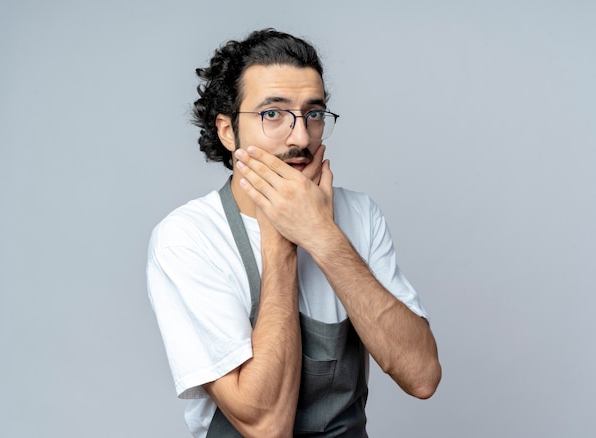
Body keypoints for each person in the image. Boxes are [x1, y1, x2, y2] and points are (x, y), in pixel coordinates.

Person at [147, 28, 441, 437]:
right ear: (228, 130)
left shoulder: (360, 215)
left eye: (313, 114)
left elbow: (422, 376)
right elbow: (267, 427)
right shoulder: (188, 238)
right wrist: (281, 240)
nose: (301, 137)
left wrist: (323, 235)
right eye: (273, 114)